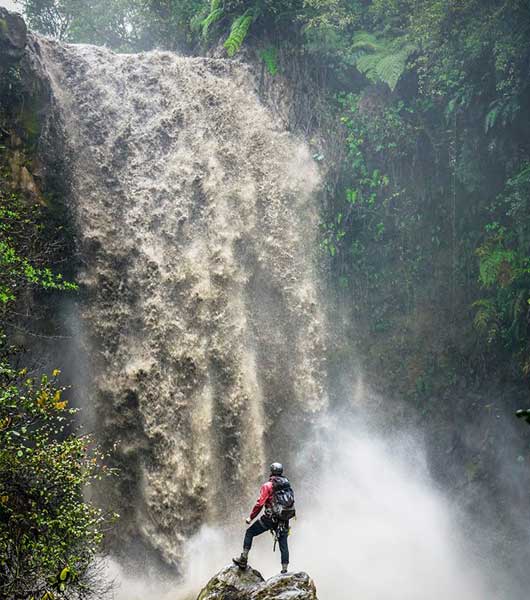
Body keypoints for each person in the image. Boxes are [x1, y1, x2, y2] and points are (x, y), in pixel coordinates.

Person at [233, 462, 295, 574]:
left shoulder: (268, 486)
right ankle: (285, 570)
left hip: (270, 518)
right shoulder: (286, 484)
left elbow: (260, 504)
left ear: (271, 471)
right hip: (284, 519)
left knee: (250, 532)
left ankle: (243, 559)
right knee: (283, 542)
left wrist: (251, 517)